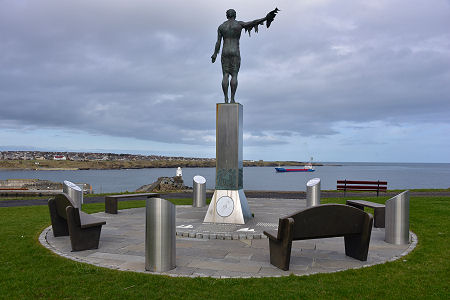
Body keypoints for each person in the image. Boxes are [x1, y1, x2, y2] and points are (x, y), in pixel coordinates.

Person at [211, 8, 279, 103]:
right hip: (235, 52)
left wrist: (214, 54)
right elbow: (252, 23)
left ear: (227, 15)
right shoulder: (239, 24)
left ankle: (226, 98)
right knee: (234, 75)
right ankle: (232, 99)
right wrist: (265, 18)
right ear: (235, 15)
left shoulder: (221, 27)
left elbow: (218, 42)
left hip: (225, 52)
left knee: (225, 75)